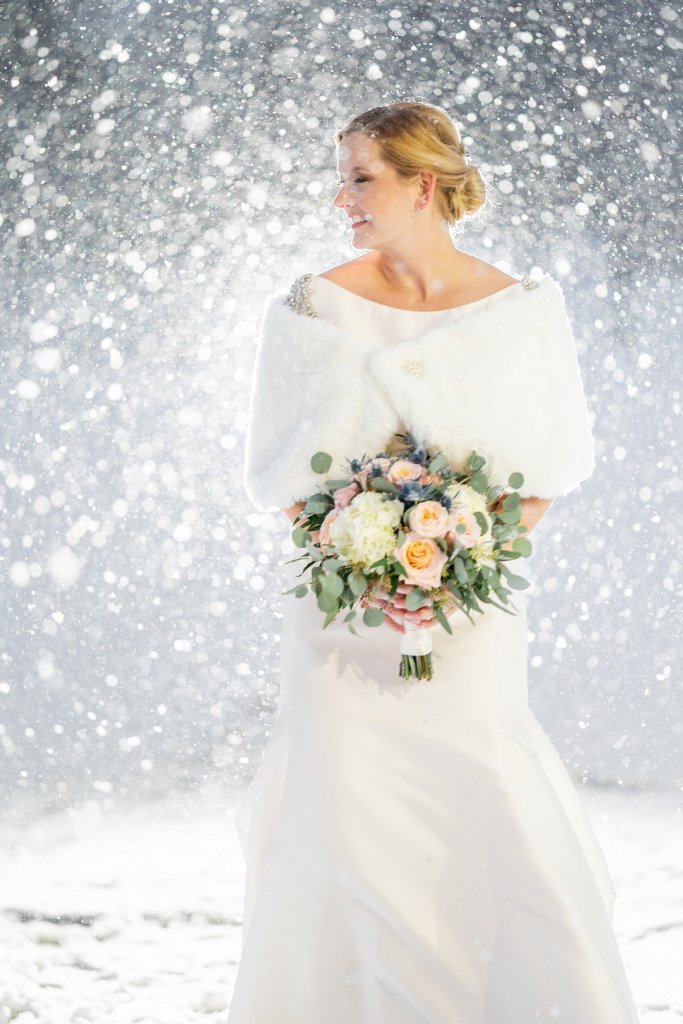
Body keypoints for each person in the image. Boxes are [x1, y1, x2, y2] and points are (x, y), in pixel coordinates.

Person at [232, 102, 640, 1023]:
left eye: (359, 177)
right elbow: (281, 475)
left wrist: (454, 563)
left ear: (423, 184)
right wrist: (366, 565)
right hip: (338, 619)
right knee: (344, 804)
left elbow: (550, 465)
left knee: (477, 782)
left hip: (473, 613)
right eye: (340, 176)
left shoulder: (520, 313)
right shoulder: (309, 308)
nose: (341, 198)